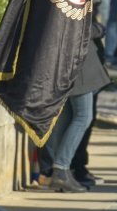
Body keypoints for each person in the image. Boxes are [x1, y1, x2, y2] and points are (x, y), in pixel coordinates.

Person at [46, 21, 111, 192]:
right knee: (83, 116)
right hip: (77, 63)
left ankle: (61, 170)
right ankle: (61, 169)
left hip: (68, 62)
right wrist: (99, 28)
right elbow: (83, 28)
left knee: (68, 117)